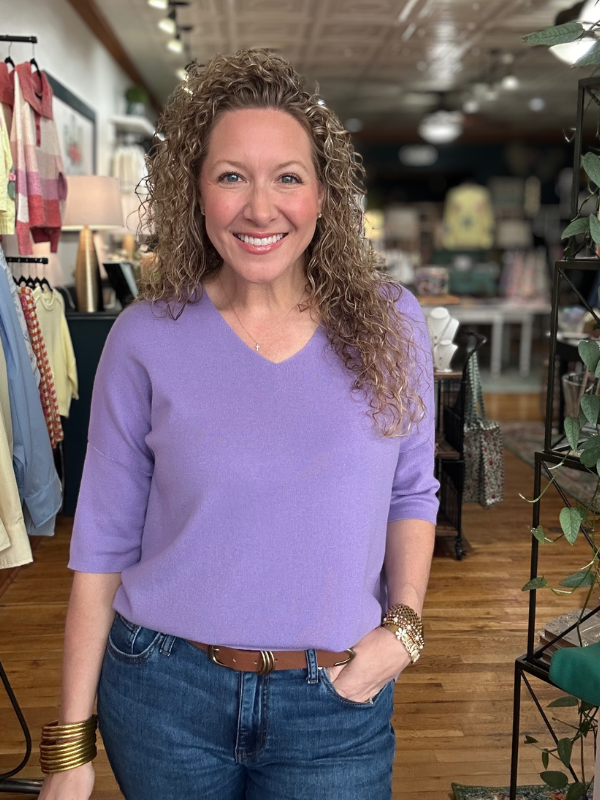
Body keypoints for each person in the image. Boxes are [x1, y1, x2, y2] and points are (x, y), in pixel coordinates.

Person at [38, 49, 439, 800]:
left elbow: (412, 493)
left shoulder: (392, 325)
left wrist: (404, 629)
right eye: (231, 176)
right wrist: (68, 749)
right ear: (196, 192)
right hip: (163, 694)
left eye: (288, 177)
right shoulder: (145, 337)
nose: (261, 208)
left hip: (335, 699)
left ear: (323, 197)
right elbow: (101, 544)